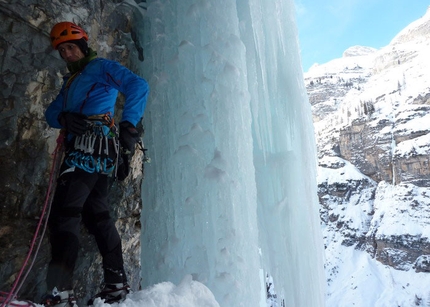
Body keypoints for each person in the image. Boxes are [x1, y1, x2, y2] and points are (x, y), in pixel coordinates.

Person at [42, 22, 149, 307]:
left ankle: (59, 292)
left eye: (71, 47)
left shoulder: (100, 67)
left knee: (65, 215)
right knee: (96, 216)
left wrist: (128, 125)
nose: (67, 53)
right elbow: (51, 113)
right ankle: (116, 285)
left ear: (83, 46)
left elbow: (138, 85)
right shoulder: (71, 81)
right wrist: (63, 118)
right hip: (97, 154)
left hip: (88, 150)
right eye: (62, 50)